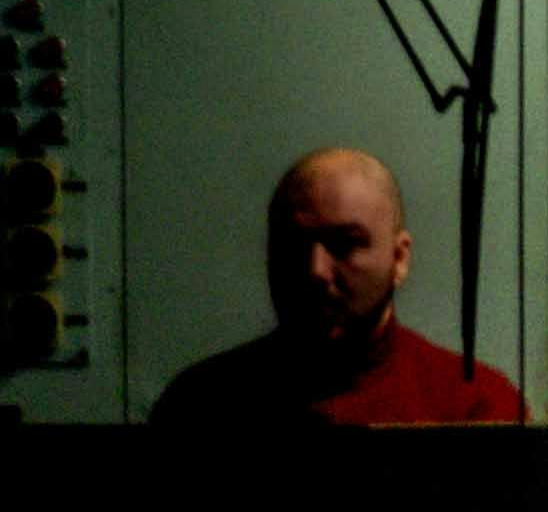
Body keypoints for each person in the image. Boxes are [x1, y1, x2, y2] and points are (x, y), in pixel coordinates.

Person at [151, 147, 528, 433]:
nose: (315, 270)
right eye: (294, 244)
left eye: (346, 243)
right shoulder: (199, 404)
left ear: (399, 258)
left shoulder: (475, 408)